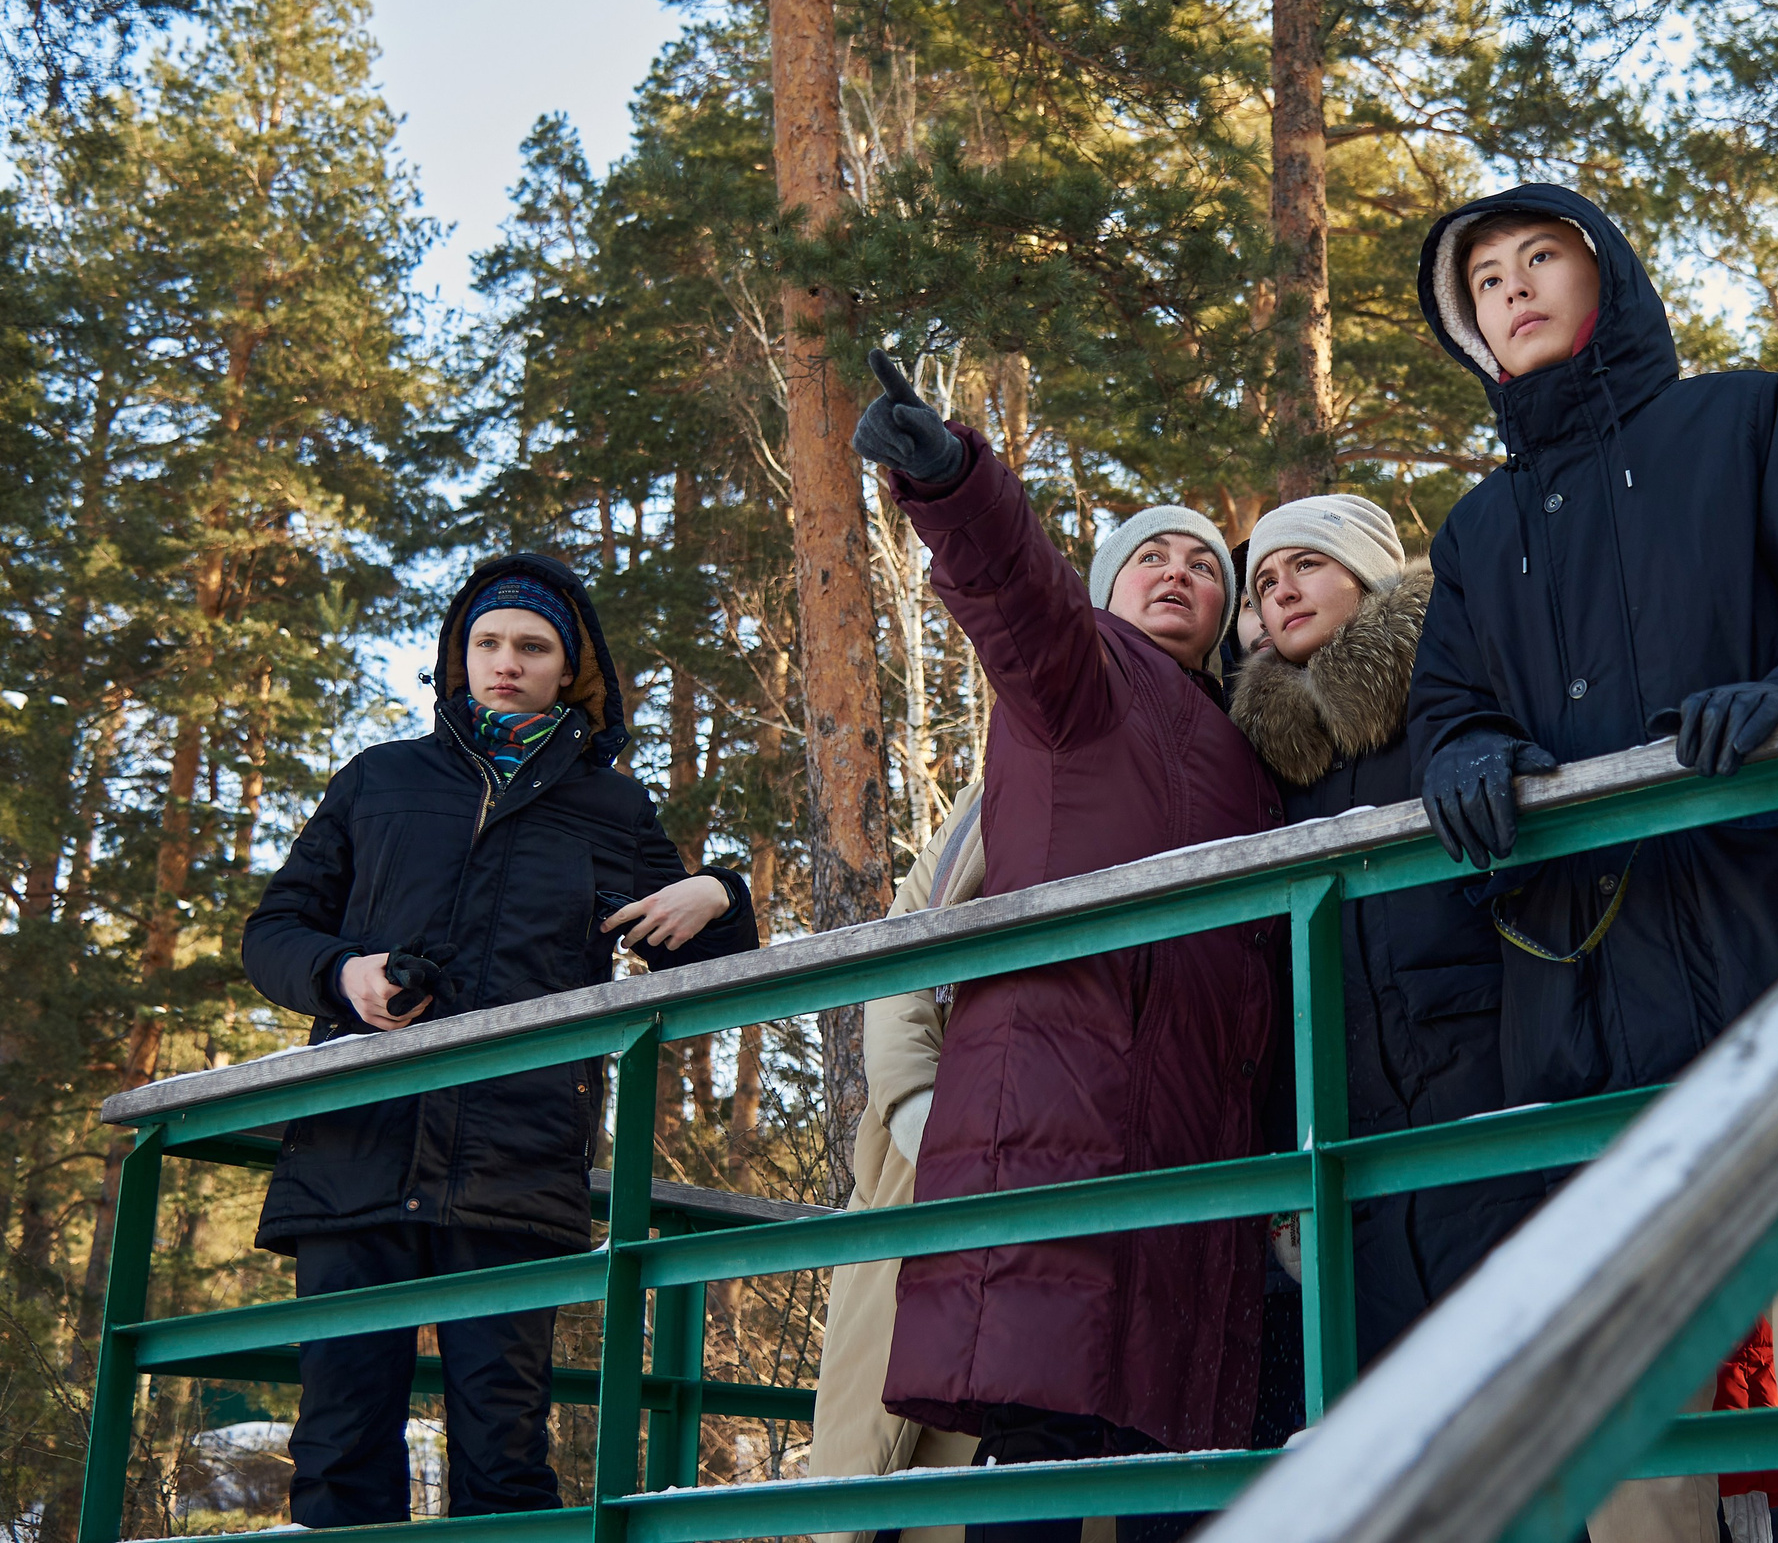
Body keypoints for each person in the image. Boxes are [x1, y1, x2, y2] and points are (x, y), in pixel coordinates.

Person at [1406, 185, 1778, 1543]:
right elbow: (1446, 708)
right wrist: (1465, 756)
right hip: (1593, 1015)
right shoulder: (1476, 531)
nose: (1513, 290)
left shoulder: (1750, 419)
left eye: (1542, 259)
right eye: (1483, 283)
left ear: (1612, 281)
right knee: (1625, 1415)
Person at [853, 352, 1282, 1543]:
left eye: (1206, 561)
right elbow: (1014, 591)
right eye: (1153, 552)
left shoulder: (1250, 761)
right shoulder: (1080, 675)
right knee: (1035, 1440)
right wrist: (952, 485)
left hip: (1193, 1151)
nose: (1180, 570)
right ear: (1107, 582)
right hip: (1058, 1115)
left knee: (1173, 1458)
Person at [241, 554, 759, 1527]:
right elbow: (272, 931)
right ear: (459, 655)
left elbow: (695, 958)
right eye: (487, 642)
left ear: (571, 669)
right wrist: (346, 973)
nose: (506, 661)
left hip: (515, 1164)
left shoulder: (613, 809)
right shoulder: (378, 780)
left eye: (531, 645)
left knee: (505, 1450)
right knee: (338, 1450)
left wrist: (721, 889)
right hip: (355, 1149)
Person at [1227, 494, 1540, 1367]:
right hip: (1351, 1161)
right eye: (1265, 582)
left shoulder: (1463, 693)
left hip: (1492, 1124)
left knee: (1522, 1428)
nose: (1282, 589)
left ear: (1366, 574)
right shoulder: (1265, 769)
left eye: (1307, 566)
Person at [807, 781, 992, 1543]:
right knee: (879, 1444)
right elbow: (906, 939)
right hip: (919, 1168)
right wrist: (915, 1099)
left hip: (1052, 1167)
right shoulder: (992, 792)